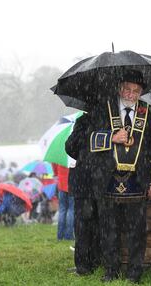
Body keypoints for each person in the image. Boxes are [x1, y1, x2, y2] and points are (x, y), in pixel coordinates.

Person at [85, 70, 151, 283]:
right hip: (108, 177)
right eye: (127, 89)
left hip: (138, 178)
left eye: (136, 90)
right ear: (120, 88)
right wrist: (111, 137)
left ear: (141, 92)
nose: (131, 94)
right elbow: (89, 140)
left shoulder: (149, 112)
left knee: (137, 231)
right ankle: (111, 271)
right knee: (109, 229)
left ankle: (135, 273)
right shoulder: (103, 107)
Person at [65, 113, 101, 276]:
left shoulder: (84, 120)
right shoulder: (112, 118)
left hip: (85, 178)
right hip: (101, 178)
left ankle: (84, 265)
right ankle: (96, 261)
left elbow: (70, 146)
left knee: (83, 224)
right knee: (99, 223)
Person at [52, 163, 74, 240]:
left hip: (61, 184)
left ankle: (60, 236)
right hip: (73, 183)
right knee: (71, 210)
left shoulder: (59, 152)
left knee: (62, 210)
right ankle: (68, 236)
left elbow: (55, 169)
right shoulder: (74, 152)